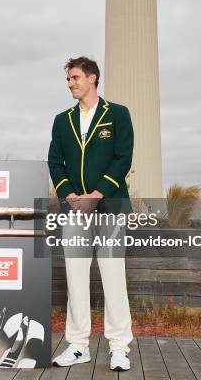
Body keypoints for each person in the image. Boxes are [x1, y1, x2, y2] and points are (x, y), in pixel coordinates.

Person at [48, 57, 134, 371]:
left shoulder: (119, 114)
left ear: (92, 78)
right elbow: (55, 162)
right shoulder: (62, 120)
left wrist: (97, 196)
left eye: (75, 78)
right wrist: (71, 196)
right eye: (68, 79)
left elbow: (123, 159)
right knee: (76, 277)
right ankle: (78, 345)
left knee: (113, 278)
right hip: (74, 211)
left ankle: (119, 347)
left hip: (110, 206)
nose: (71, 84)